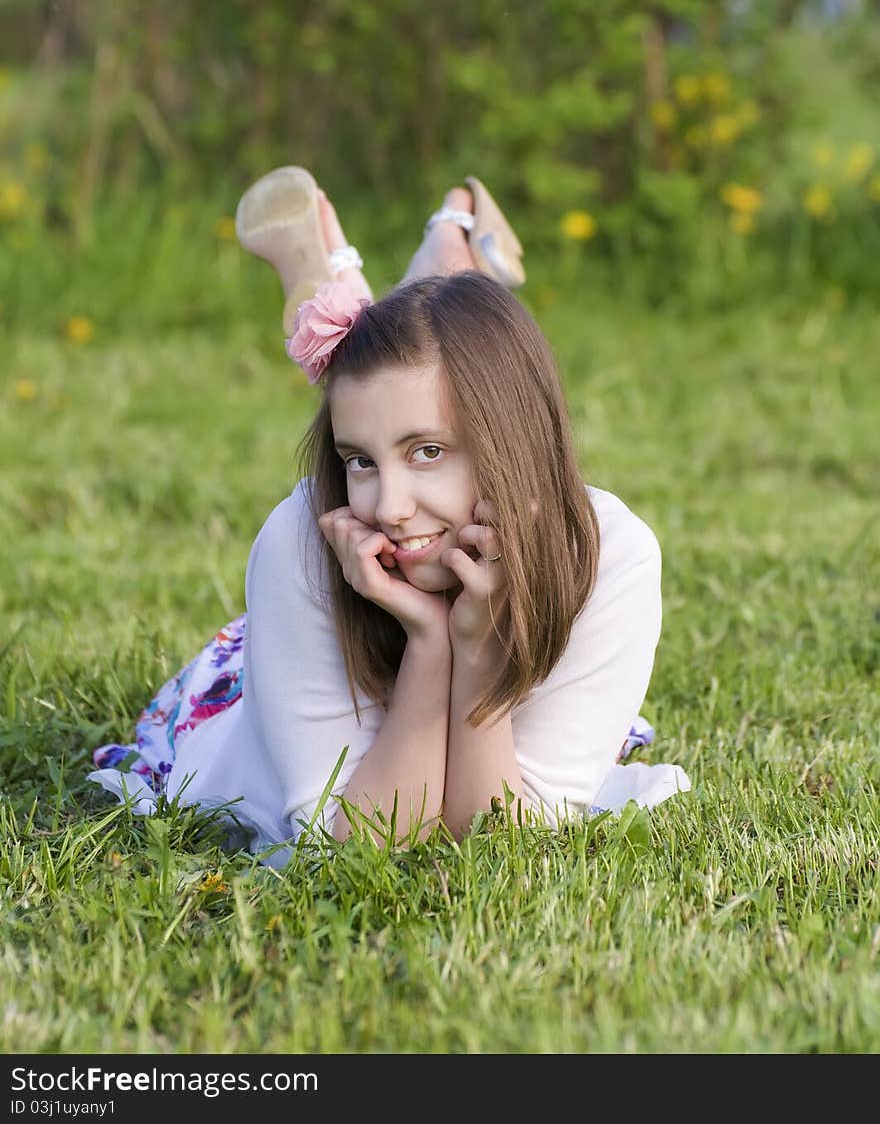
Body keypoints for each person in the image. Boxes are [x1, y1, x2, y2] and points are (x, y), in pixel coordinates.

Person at [90, 171, 689, 865]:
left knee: (414, 359)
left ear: (513, 439)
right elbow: (357, 845)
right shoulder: (304, 540)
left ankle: (404, 269)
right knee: (397, 373)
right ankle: (421, 264)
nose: (387, 509)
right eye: (359, 459)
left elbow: (499, 847)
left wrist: (482, 653)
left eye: (428, 451)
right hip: (256, 682)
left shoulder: (610, 553)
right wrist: (432, 645)